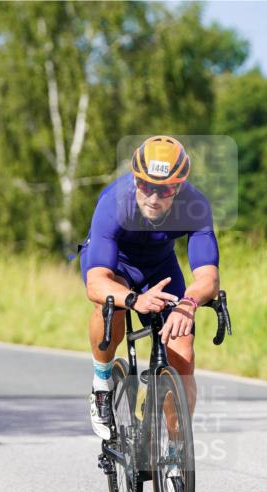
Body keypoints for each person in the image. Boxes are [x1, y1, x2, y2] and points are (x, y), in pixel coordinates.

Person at [80, 136, 220, 440]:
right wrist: (134, 300)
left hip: (159, 269)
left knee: (182, 353)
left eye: (165, 189)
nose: (154, 197)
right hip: (114, 266)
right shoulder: (114, 204)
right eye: (146, 186)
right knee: (111, 307)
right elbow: (95, 282)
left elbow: (208, 277)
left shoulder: (195, 206)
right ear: (135, 180)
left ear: (179, 187)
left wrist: (188, 304)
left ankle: (174, 450)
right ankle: (102, 384)